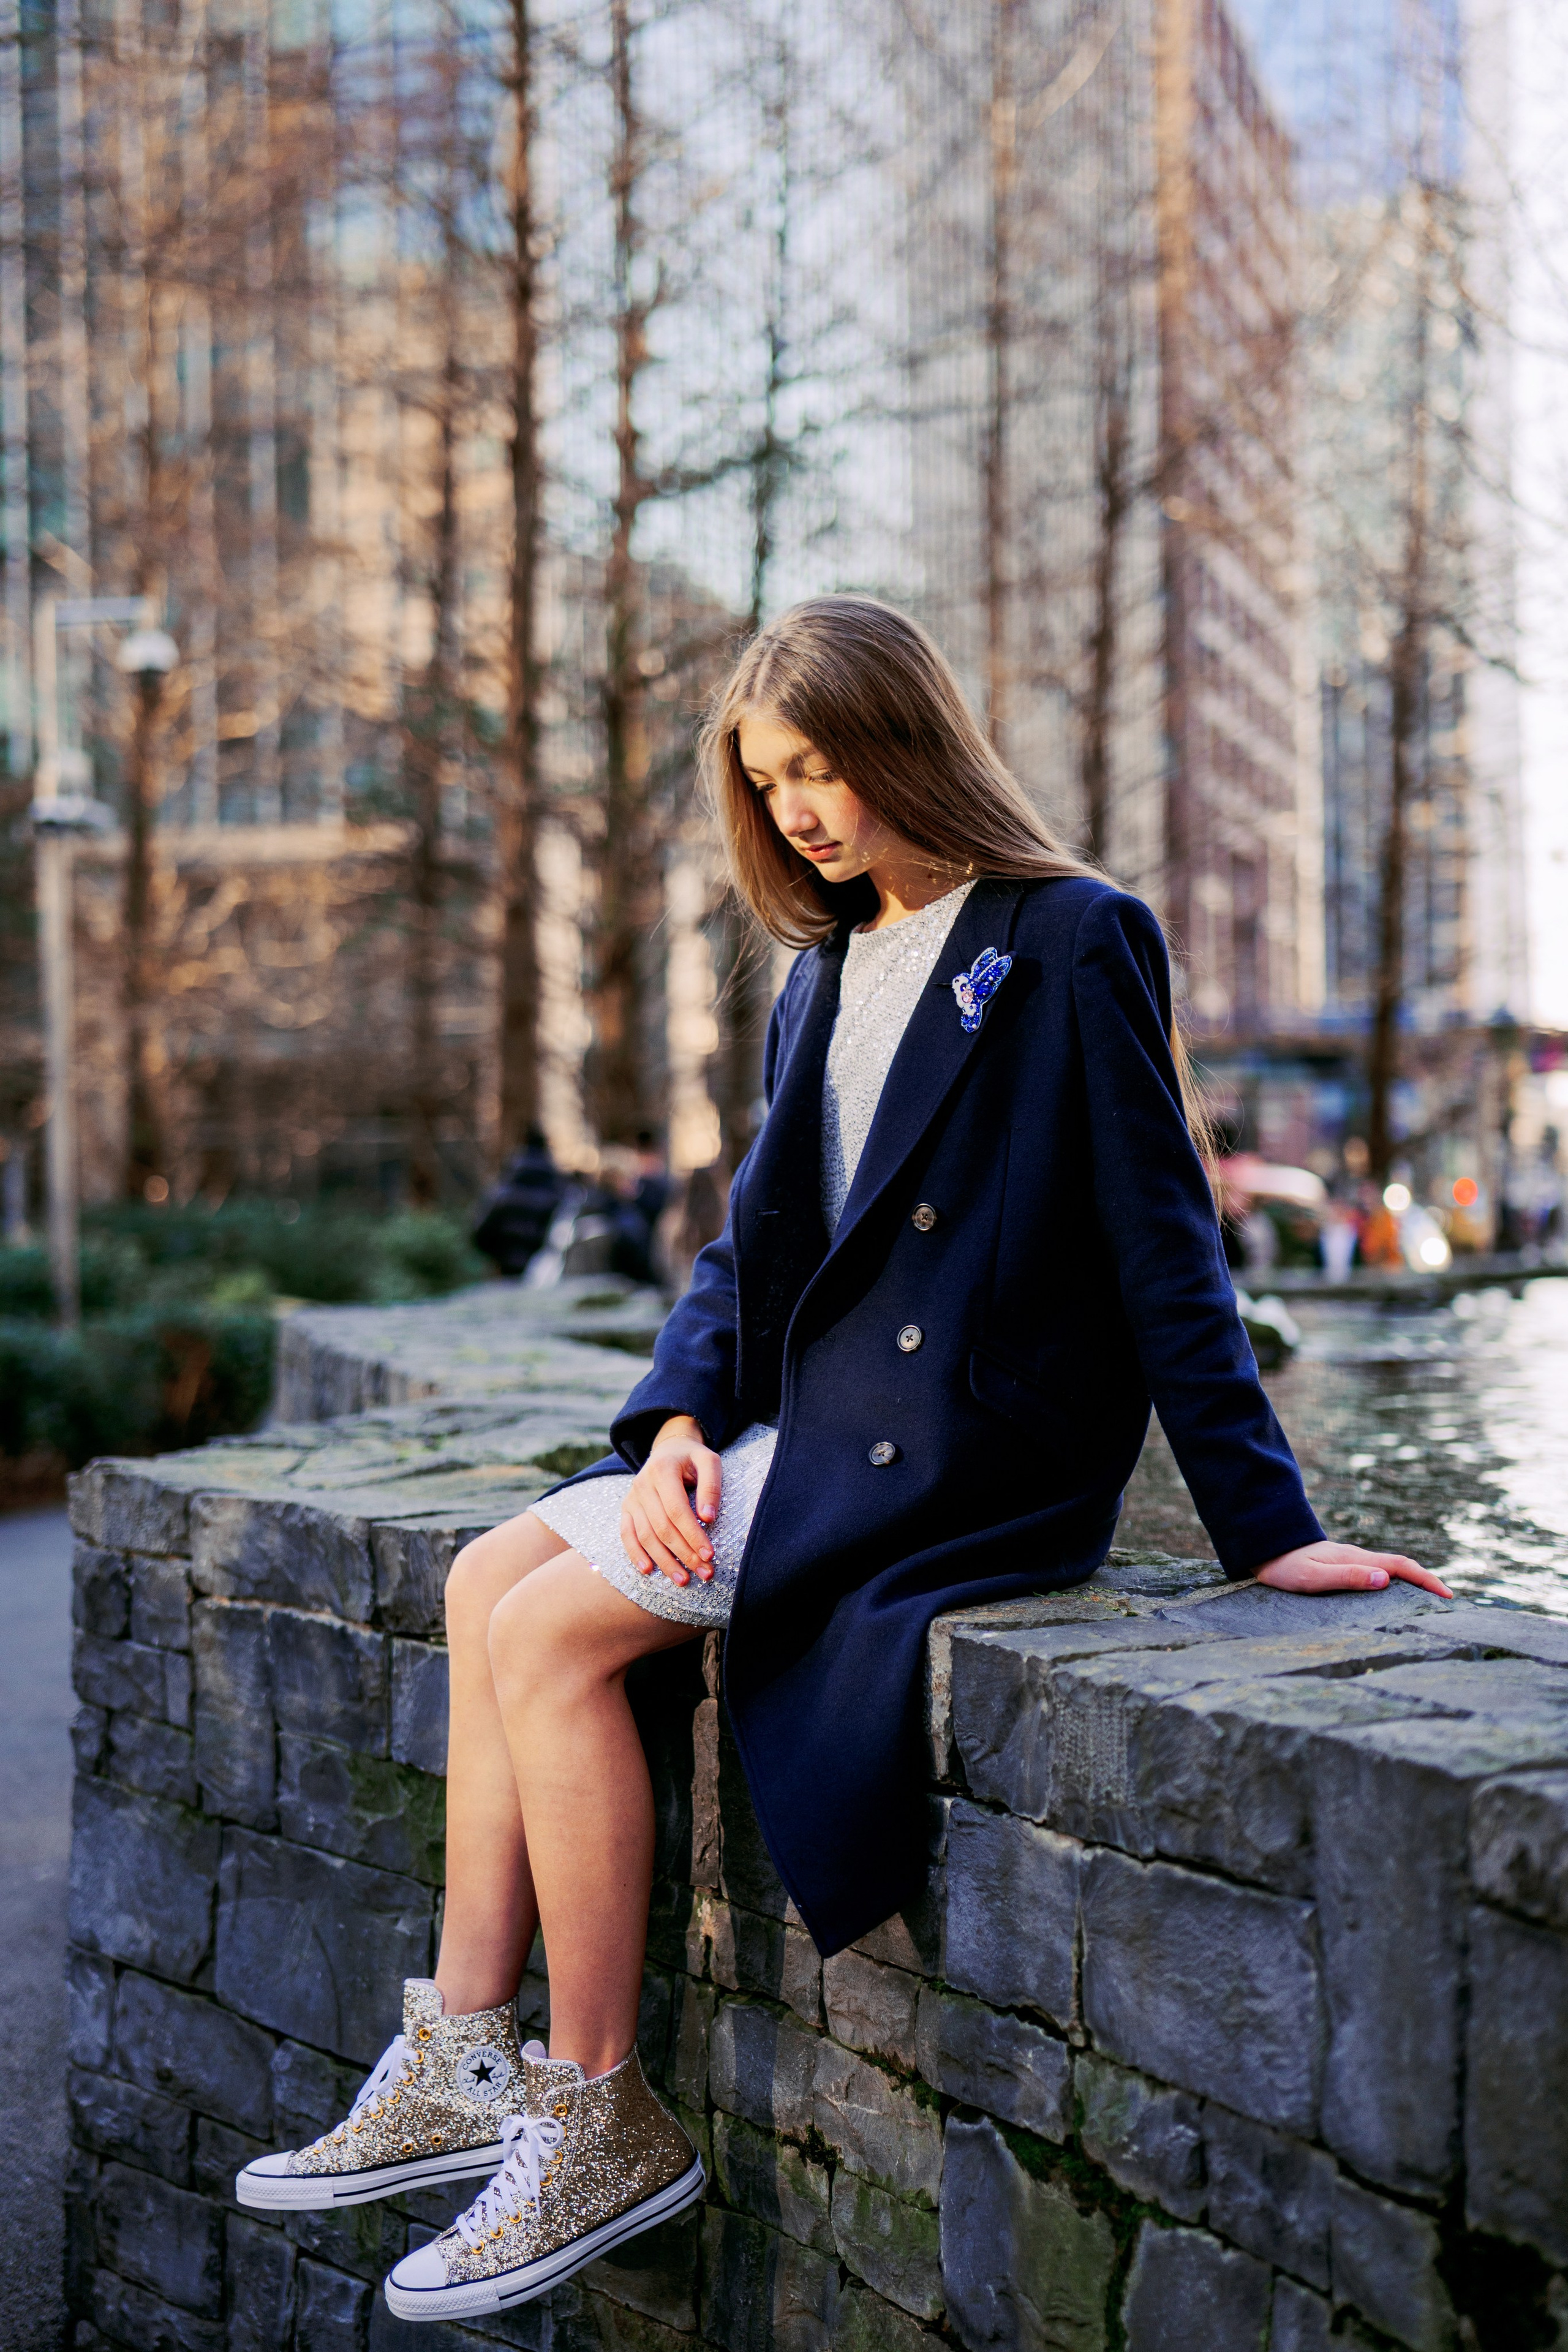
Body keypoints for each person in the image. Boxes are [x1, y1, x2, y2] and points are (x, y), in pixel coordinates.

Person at [234, 597, 1450, 2324]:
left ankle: (598, 2108)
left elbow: (1169, 1249)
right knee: (482, 1574)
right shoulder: (822, 973)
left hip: (957, 1461)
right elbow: (749, 1253)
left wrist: (1272, 1530)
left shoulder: (1071, 937)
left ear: (904, 738)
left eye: (818, 764)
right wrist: (669, 1431)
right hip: (803, 1435)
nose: (799, 807)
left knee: (555, 1634)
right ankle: (462, 2051)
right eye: (767, 778)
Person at [472, 1129, 564, 1280]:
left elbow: (481, 1232)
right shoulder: (559, 1191)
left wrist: (498, 1255)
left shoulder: (502, 1190)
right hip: (543, 1273)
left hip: (505, 1270)